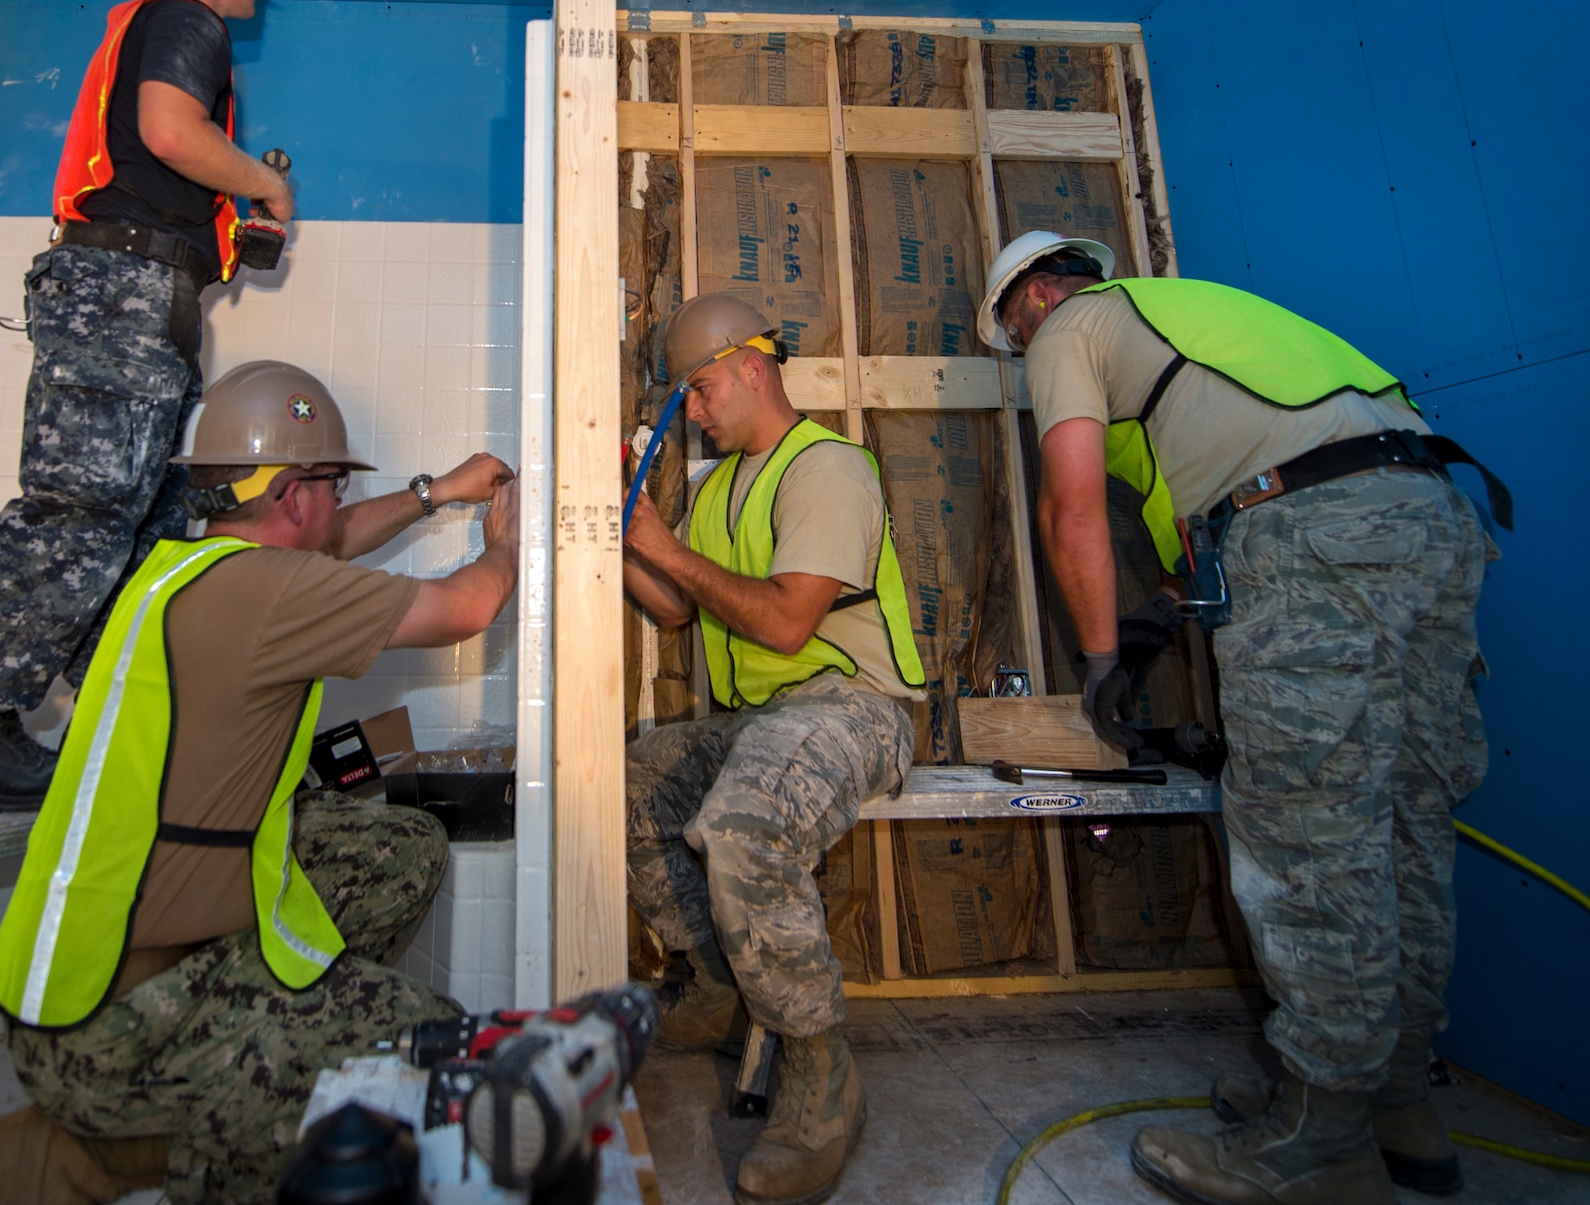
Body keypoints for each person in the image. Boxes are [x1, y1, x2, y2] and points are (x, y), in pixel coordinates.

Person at [975, 230, 1509, 1205]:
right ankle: (1392, 1100)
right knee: (1402, 821)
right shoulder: (1205, 328)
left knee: (1307, 831)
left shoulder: (1073, 327)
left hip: (1313, 527)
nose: (1024, 358)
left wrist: (1099, 665)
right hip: (1432, 515)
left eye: (1014, 335)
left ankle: (1317, 1138)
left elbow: (1069, 512)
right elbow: (1196, 560)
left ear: (1039, 295)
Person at [0, 360, 519, 1203]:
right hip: (109, 1021)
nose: (334, 506)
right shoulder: (270, 595)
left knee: (398, 849)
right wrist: (506, 544)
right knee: (424, 1056)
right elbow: (466, 608)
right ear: (294, 492)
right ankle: (102, 1152)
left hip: (97, 969)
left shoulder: (184, 567)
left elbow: (335, 537)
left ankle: (238, 1082)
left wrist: (434, 491)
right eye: (330, 484)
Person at [0, 0, 302, 810]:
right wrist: (265, 186)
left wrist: (214, 235)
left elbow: (148, 155)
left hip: (132, 291)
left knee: (135, 518)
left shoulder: (160, 31)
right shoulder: (185, 22)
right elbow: (169, 129)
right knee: (83, 509)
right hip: (120, 293)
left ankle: (99, 714)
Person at [621, 293, 927, 1205]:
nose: (699, 413)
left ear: (754, 366)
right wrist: (618, 531)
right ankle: (716, 985)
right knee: (625, 782)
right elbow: (678, 607)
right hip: (763, 723)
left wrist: (660, 547)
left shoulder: (826, 466)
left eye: (703, 390)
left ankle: (820, 1072)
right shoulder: (720, 489)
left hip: (854, 709)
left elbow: (790, 621)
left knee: (748, 825)